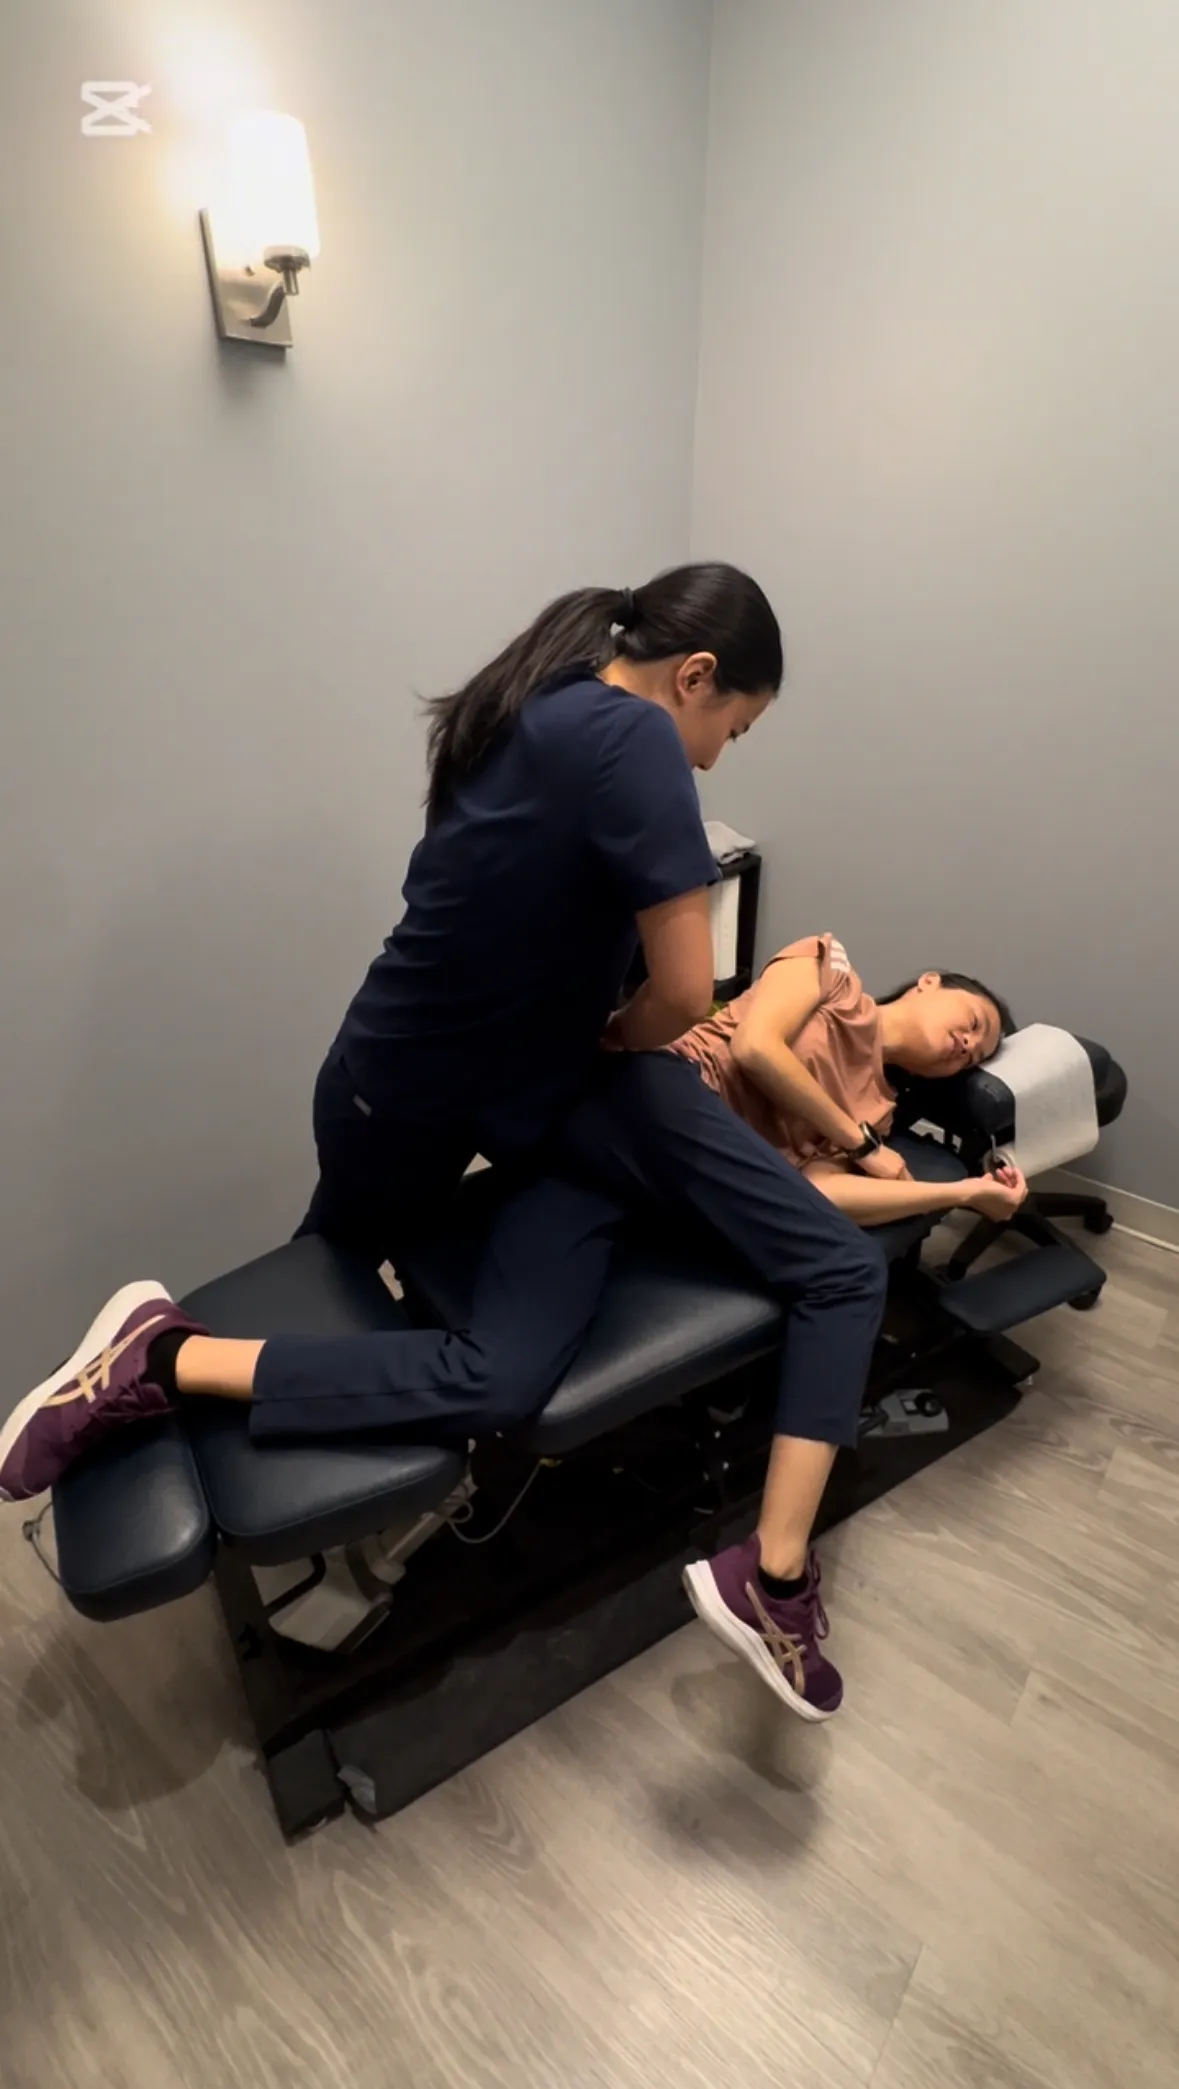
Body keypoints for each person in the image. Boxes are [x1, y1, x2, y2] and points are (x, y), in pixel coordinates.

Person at [2, 563, 887, 1724]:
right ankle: (165, 1380)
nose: (720, 756)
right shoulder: (630, 738)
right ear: (698, 675)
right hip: (425, 1090)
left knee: (415, 1321)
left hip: (483, 1090)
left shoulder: (542, 699)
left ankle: (168, 1369)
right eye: (733, 725)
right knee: (330, 1273)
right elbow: (684, 992)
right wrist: (621, 1038)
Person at [669, 932, 1026, 1228]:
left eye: (972, 1058)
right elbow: (756, 1047)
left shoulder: (879, 1112)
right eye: (975, 1023)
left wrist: (966, 1193)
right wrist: (862, 1144)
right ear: (929, 982)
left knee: (854, 1266)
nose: (968, 1044)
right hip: (673, 1086)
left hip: (708, 1173)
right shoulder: (832, 971)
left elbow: (820, 1192)